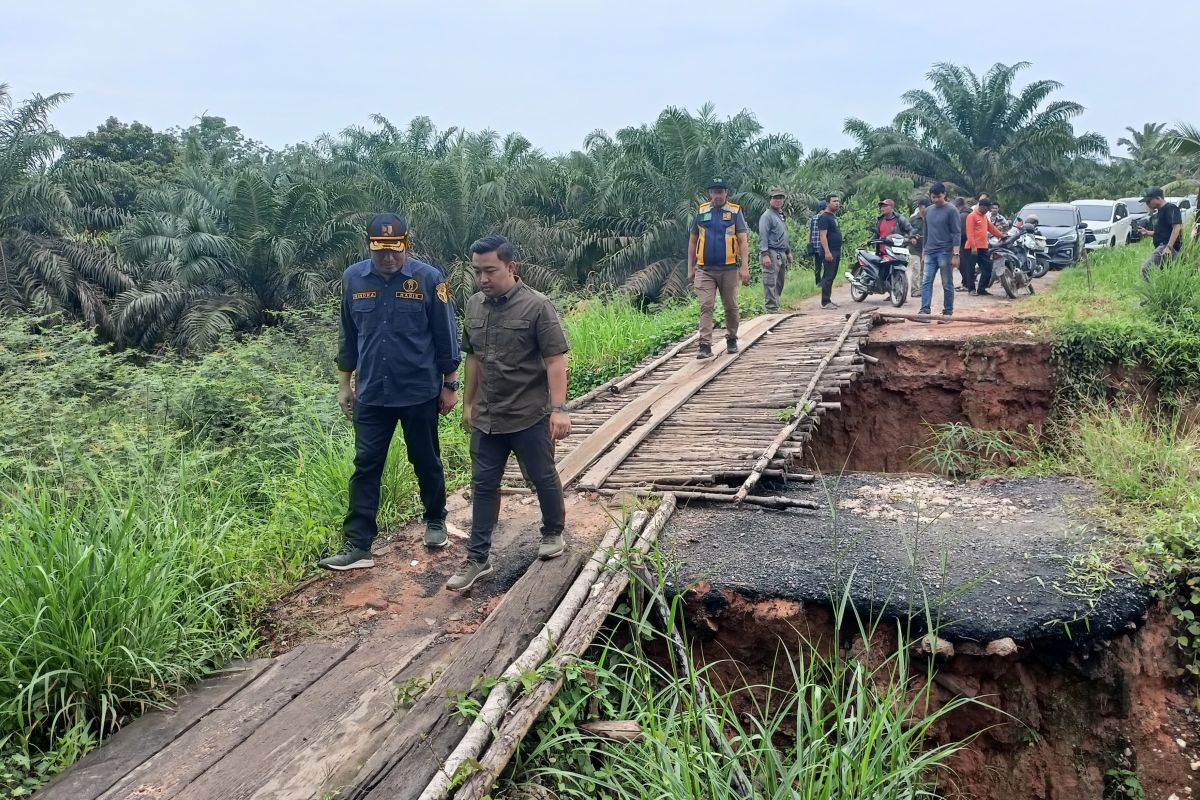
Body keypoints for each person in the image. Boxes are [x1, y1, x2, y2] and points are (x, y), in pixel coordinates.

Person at [323, 213, 461, 571]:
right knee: (366, 466)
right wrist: (344, 384)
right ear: (369, 246)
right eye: (380, 250)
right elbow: (348, 335)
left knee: (425, 459)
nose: (387, 257)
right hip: (371, 392)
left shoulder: (429, 279)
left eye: (394, 250)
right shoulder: (353, 278)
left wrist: (450, 384)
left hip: (418, 390)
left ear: (406, 245)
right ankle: (358, 546)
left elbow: (446, 336)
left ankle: (434, 520)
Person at [448, 234, 572, 591]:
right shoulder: (474, 306)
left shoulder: (537, 306)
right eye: (477, 272)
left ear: (511, 267)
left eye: (490, 271)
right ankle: (477, 558)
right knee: (484, 485)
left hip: (529, 413)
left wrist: (559, 409)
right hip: (488, 415)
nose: (483, 279)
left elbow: (555, 361)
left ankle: (552, 532)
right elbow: (473, 358)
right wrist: (469, 403)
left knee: (542, 476)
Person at [688, 178, 750, 359]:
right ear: (710, 194)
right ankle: (705, 345)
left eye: (720, 192)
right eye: (714, 192)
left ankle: (731, 338)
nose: (717, 195)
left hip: (729, 268)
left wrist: (745, 267)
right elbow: (693, 241)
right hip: (705, 269)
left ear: (726, 193)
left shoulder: (735, 211)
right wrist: (690, 268)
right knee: (706, 305)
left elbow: (743, 240)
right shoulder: (702, 211)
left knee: (730, 306)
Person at [919, 183, 963, 316]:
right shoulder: (929, 211)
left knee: (947, 283)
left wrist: (956, 254)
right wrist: (924, 252)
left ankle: (948, 312)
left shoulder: (951, 210)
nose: (936, 199)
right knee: (926, 282)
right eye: (933, 197)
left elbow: (956, 233)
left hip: (945, 252)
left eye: (939, 196)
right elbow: (926, 233)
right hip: (930, 252)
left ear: (944, 194)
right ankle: (925, 311)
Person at [758, 187, 794, 313]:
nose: (778, 201)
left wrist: (788, 252)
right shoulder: (767, 216)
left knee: (779, 282)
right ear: (770, 200)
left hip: (781, 252)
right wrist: (765, 254)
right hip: (771, 252)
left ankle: (776, 305)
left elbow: (784, 234)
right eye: (775, 198)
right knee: (770, 281)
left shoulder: (781, 215)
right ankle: (771, 309)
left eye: (780, 198)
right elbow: (763, 235)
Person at [1137, 187, 1184, 280]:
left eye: (1149, 201)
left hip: (1167, 247)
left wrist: (1169, 247)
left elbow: (1177, 227)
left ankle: (1149, 293)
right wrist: (1147, 232)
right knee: (1164, 276)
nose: (1147, 204)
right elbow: (1161, 233)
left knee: (1146, 269)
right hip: (1163, 247)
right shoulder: (1159, 212)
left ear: (1158, 198)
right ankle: (1158, 293)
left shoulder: (1170, 208)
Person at [964, 198, 1004, 295]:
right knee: (971, 269)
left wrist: (1002, 236)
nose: (989, 210)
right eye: (988, 208)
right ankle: (971, 289)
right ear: (982, 206)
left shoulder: (984, 217)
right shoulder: (972, 216)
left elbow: (991, 228)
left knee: (988, 267)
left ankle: (982, 288)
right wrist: (973, 247)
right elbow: (969, 233)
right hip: (972, 248)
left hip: (983, 247)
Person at [816, 194, 842, 309]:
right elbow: (823, 236)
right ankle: (825, 302)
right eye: (834, 201)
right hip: (830, 251)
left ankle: (828, 299)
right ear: (827, 203)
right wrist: (827, 252)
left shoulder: (833, 216)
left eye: (838, 201)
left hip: (836, 250)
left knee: (832, 275)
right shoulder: (824, 217)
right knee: (828, 275)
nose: (837, 203)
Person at [909, 198, 930, 297]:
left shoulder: (930, 219)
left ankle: (923, 289)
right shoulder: (913, 219)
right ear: (921, 207)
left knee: (924, 270)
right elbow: (907, 231)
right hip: (915, 249)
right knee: (916, 269)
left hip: (926, 248)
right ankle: (914, 290)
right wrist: (912, 237)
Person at [809, 199, 828, 286]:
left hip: (815, 245)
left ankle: (818, 281)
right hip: (824, 246)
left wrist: (811, 243)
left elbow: (811, 231)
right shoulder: (827, 217)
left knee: (818, 265)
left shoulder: (814, 218)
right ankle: (824, 281)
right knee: (826, 265)